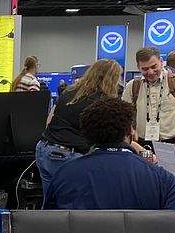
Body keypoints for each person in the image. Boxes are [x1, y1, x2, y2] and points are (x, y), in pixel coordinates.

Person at [44, 97, 175, 233]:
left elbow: (48, 232)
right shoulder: (161, 178)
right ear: (131, 131)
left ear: (86, 134)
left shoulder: (64, 174)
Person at [36, 59, 131, 197]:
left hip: (44, 149)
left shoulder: (70, 91)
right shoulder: (101, 102)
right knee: (74, 205)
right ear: (113, 78)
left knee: (50, 204)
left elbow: (49, 121)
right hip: (68, 155)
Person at [121, 46, 175, 150]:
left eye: (154, 67)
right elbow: (123, 116)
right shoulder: (132, 86)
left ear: (161, 62)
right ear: (138, 67)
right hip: (142, 144)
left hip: (173, 142)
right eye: (145, 69)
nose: (150, 72)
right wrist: (131, 130)